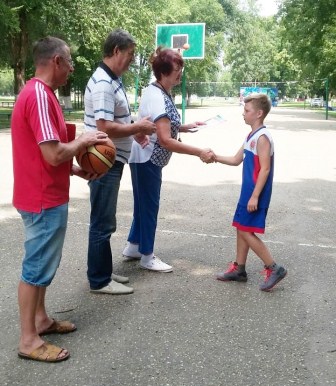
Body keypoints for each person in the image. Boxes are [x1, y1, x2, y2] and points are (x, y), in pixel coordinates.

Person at [11, 36, 111, 362]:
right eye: (68, 62)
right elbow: (52, 154)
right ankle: (28, 340)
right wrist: (83, 142)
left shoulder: (43, 95)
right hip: (42, 198)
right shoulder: (39, 95)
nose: (71, 68)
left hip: (45, 193)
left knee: (43, 266)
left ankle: (40, 320)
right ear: (56, 61)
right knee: (35, 268)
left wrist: (75, 170)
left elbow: (46, 154)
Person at [122, 47, 215, 272]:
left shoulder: (159, 91)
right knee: (149, 207)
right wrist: (199, 152)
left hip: (147, 159)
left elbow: (160, 126)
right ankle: (147, 256)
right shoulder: (158, 96)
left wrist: (184, 126)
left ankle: (134, 246)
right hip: (148, 159)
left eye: (181, 68)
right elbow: (164, 139)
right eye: (176, 69)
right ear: (163, 72)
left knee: (143, 205)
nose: (180, 74)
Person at [84, 29, 156, 294]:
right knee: (103, 222)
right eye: (129, 54)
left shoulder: (111, 80)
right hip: (103, 160)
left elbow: (116, 122)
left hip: (110, 158)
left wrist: (134, 131)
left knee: (105, 219)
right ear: (116, 51)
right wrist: (137, 126)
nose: (131, 60)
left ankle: (102, 270)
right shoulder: (104, 82)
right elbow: (104, 126)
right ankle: (99, 280)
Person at [215, 93, 287, 291]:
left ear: (259, 113)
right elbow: (236, 159)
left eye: (247, 111)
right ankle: (239, 269)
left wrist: (255, 195)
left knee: (246, 230)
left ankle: (274, 267)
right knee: (241, 226)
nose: (243, 114)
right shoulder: (251, 136)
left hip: (255, 193)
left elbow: (265, 169)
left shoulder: (263, 137)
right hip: (247, 192)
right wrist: (214, 157)